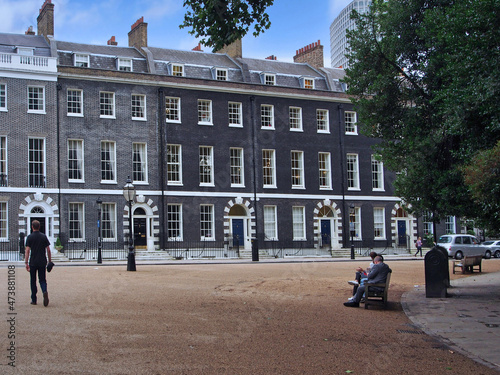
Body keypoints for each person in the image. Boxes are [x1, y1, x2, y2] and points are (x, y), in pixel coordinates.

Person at [25, 220, 52, 307]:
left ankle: (34, 299)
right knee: (42, 280)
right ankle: (44, 291)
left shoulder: (29, 237)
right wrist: (49, 261)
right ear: (39, 227)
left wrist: (26, 262)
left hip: (33, 261)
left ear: (32, 227)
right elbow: (48, 249)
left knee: (33, 281)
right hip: (42, 261)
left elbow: (27, 250)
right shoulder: (43, 236)